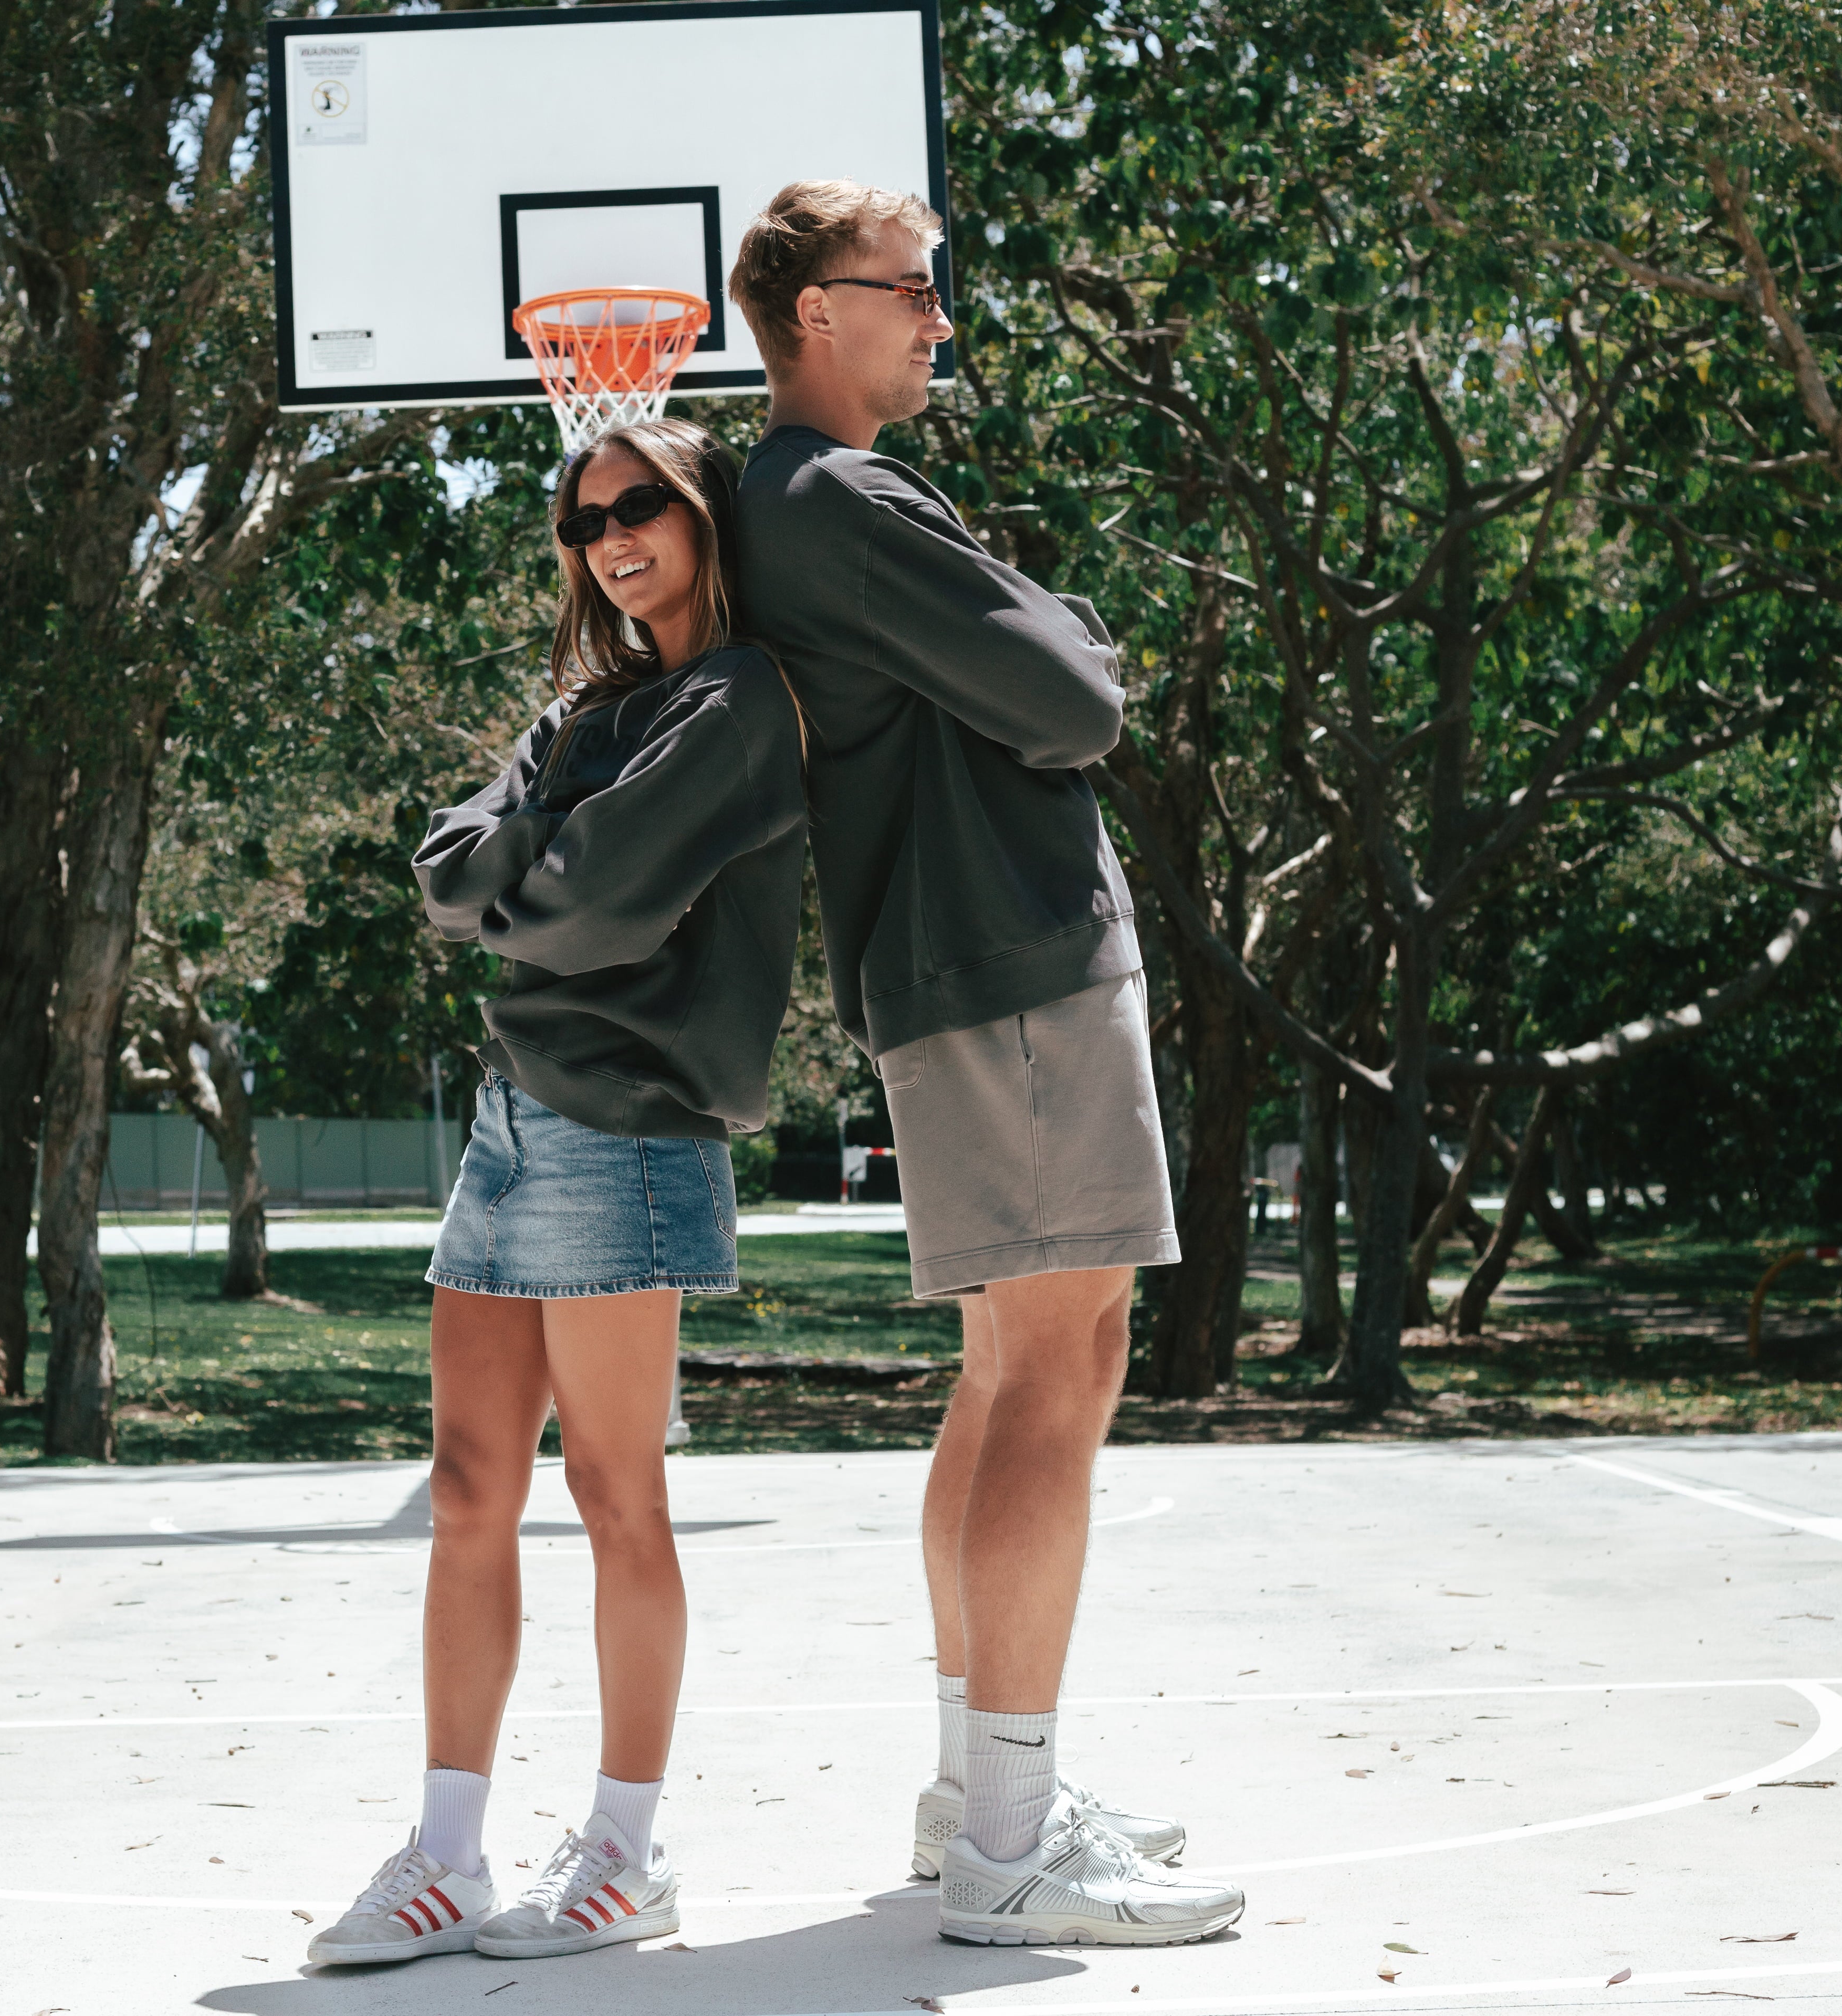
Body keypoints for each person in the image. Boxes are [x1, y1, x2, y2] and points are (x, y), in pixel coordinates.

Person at [726, 180, 1247, 1948]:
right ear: (814, 312)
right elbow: (1078, 698)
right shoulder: (840, 497)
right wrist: (1066, 632)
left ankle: (980, 1789)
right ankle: (1013, 1844)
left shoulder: (801, 504)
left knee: (1011, 1368)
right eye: (914, 291)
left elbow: (1029, 675)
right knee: (1056, 1376)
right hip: (1006, 963)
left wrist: (1038, 639)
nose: (941, 318)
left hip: (953, 966)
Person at [305, 417, 807, 1968]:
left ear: (703, 514)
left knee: (614, 1498)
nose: (615, 537)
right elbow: (451, 875)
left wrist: (529, 866)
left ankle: (625, 1853)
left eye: (645, 504)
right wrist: (536, 850)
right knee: (466, 1491)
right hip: (513, 1126)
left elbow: (588, 911)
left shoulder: (737, 703)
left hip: (629, 1130)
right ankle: (448, 1858)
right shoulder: (588, 708)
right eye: (589, 519)